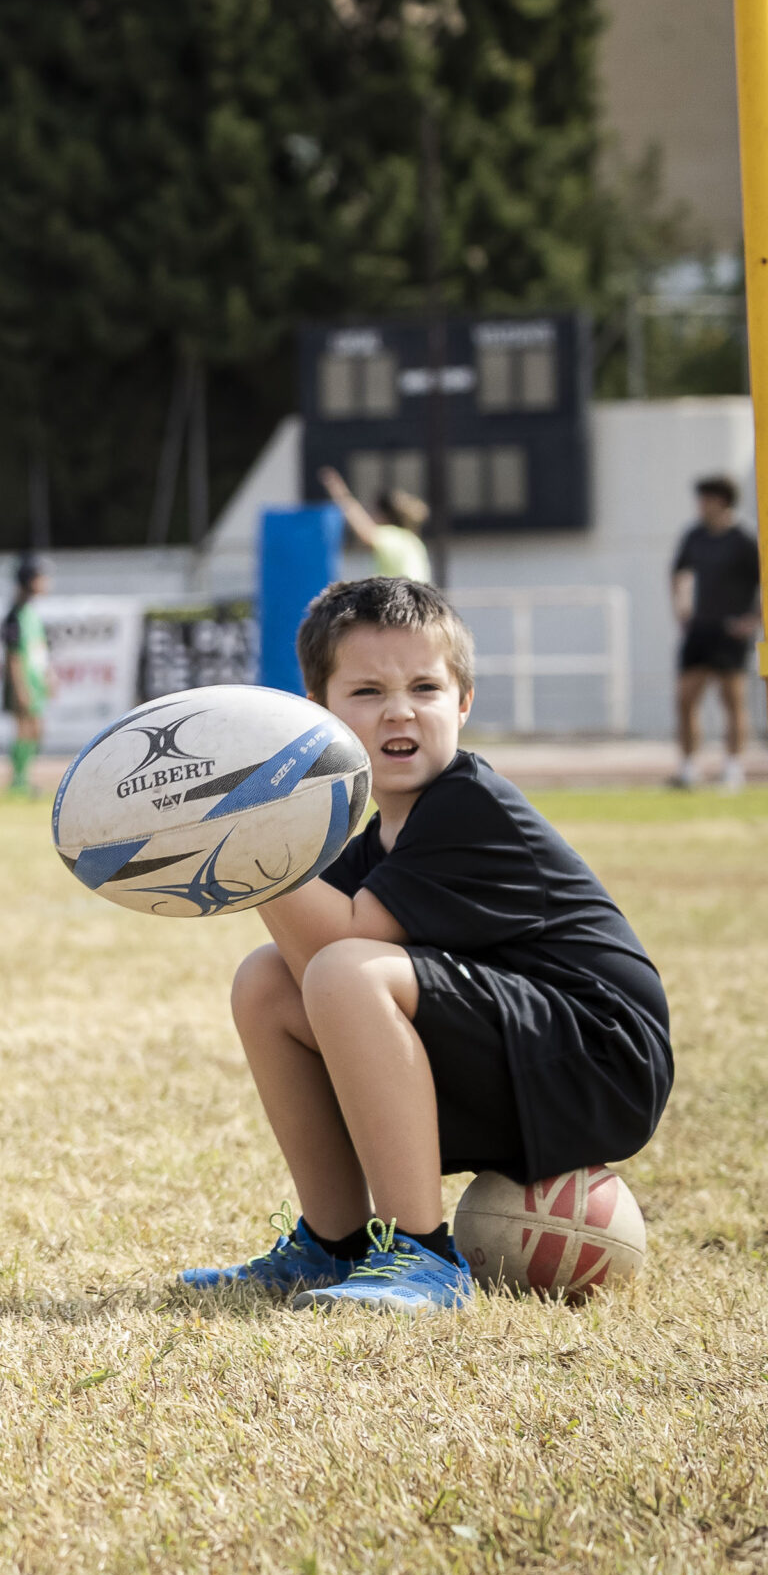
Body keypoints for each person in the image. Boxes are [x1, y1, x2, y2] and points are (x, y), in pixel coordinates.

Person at [183, 578, 671, 1314]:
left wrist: (248, 840)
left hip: (599, 1060)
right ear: (321, 715)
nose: (399, 709)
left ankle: (422, 1253)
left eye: (424, 687)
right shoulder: (376, 832)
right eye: (368, 691)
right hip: (524, 1056)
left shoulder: (470, 806)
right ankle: (333, 1241)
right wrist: (243, 845)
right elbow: (308, 950)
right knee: (267, 979)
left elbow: (344, 945)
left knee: (346, 968)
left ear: (463, 701)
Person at [670, 475, 759, 791]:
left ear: (721, 501)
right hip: (701, 629)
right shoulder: (694, 536)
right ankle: (689, 767)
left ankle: (733, 768)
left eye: (705, 499)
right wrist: (681, 608)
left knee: (731, 700)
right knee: (685, 699)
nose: (700, 506)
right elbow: (678, 572)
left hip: (731, 632)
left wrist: (753, 619)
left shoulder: (743, 540)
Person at [318, 466, 432, 582]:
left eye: (373, 511)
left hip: (404, 597)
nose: (370, 515)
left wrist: (340, 493)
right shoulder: (411, 539)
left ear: (384, 515)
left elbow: (366, 532)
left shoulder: (394, 535)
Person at [0, 556, 51, 796]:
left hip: (35, 681)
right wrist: (20, 688)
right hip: (22, 682)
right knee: (24, 729)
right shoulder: (15, 614)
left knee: (36, 729)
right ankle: (18, 781)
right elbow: (14, 656)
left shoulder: (31, 612)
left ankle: (24, 777)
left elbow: (39, 650)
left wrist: (49, 676)